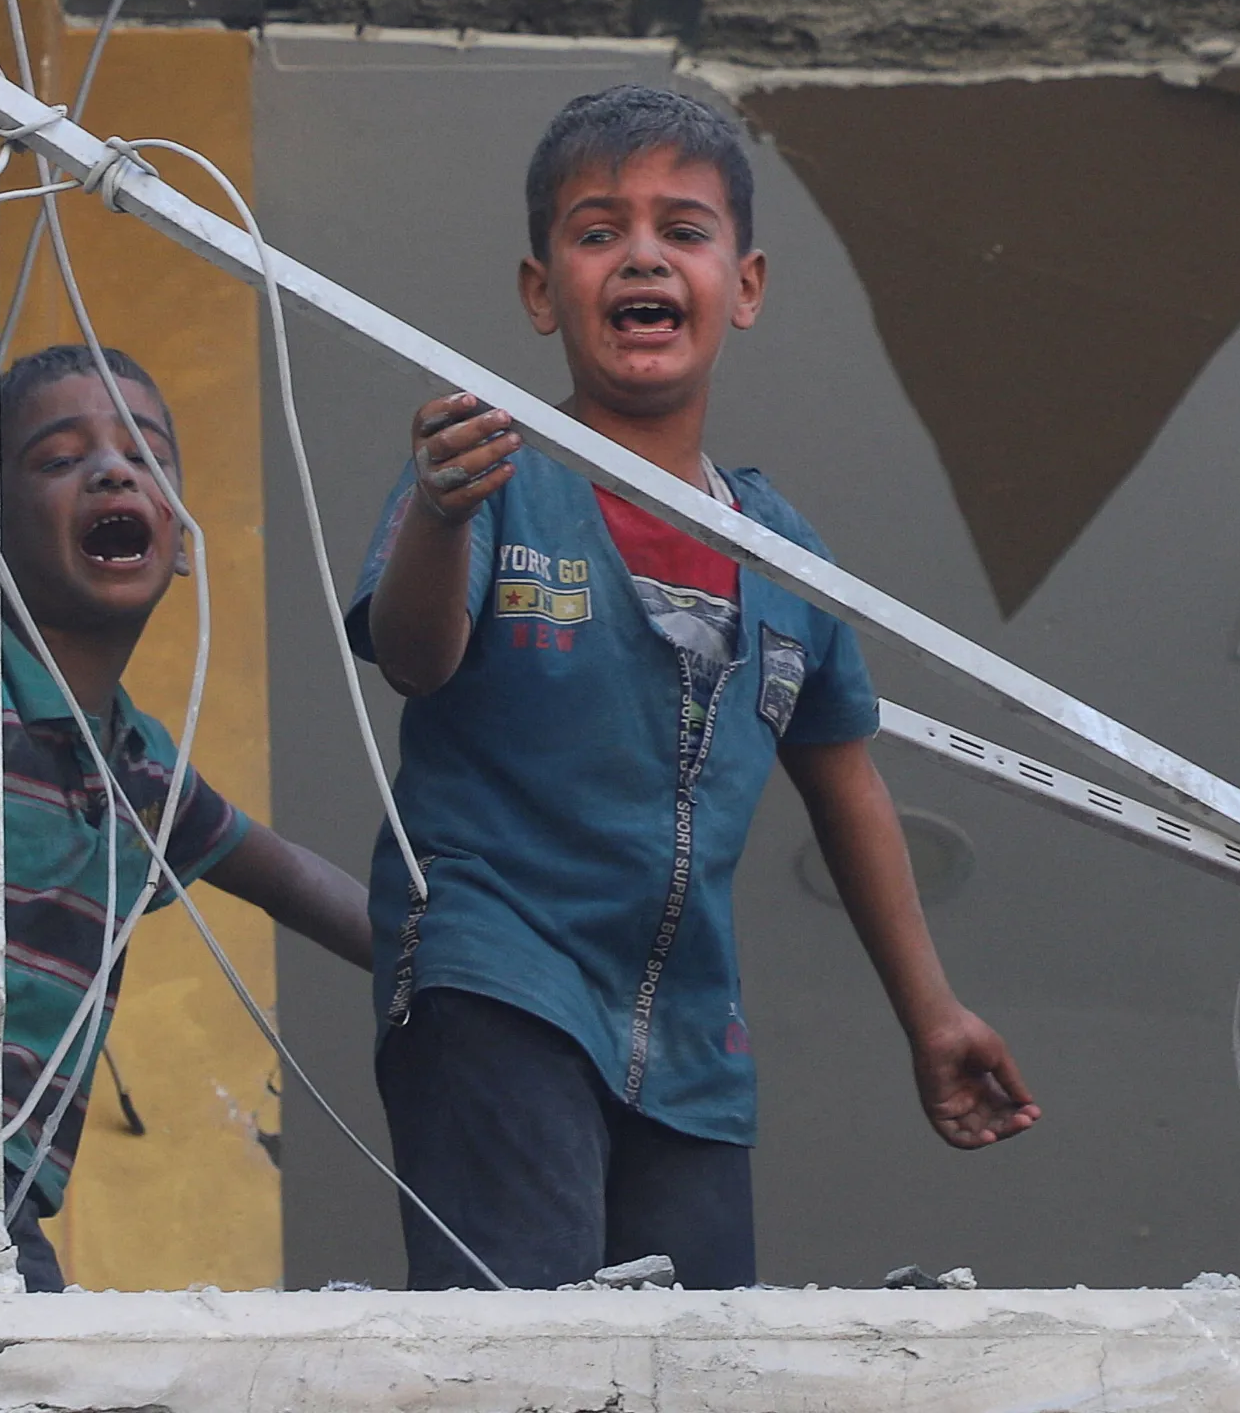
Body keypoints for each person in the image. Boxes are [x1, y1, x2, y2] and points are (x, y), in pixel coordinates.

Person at [348, 85, 1040, 1291]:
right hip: (498, 975)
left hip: (691, 1044)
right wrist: (442, 517)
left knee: (706, 1352)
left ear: (746, 285)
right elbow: (417, 657)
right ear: (540, 290)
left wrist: (932, 1014)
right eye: (598, 230)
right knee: (529, 1341)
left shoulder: (787, 555)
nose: (642, 256)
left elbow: (846, 782)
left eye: (683, 228)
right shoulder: (489, 473)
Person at [0, 343, 373, 1291]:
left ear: (184, 546)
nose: (112, 470)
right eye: (59, 458)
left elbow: (299, 883)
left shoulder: (142, 770)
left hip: (9, 1200)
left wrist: (479, 966)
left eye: (148, 457)